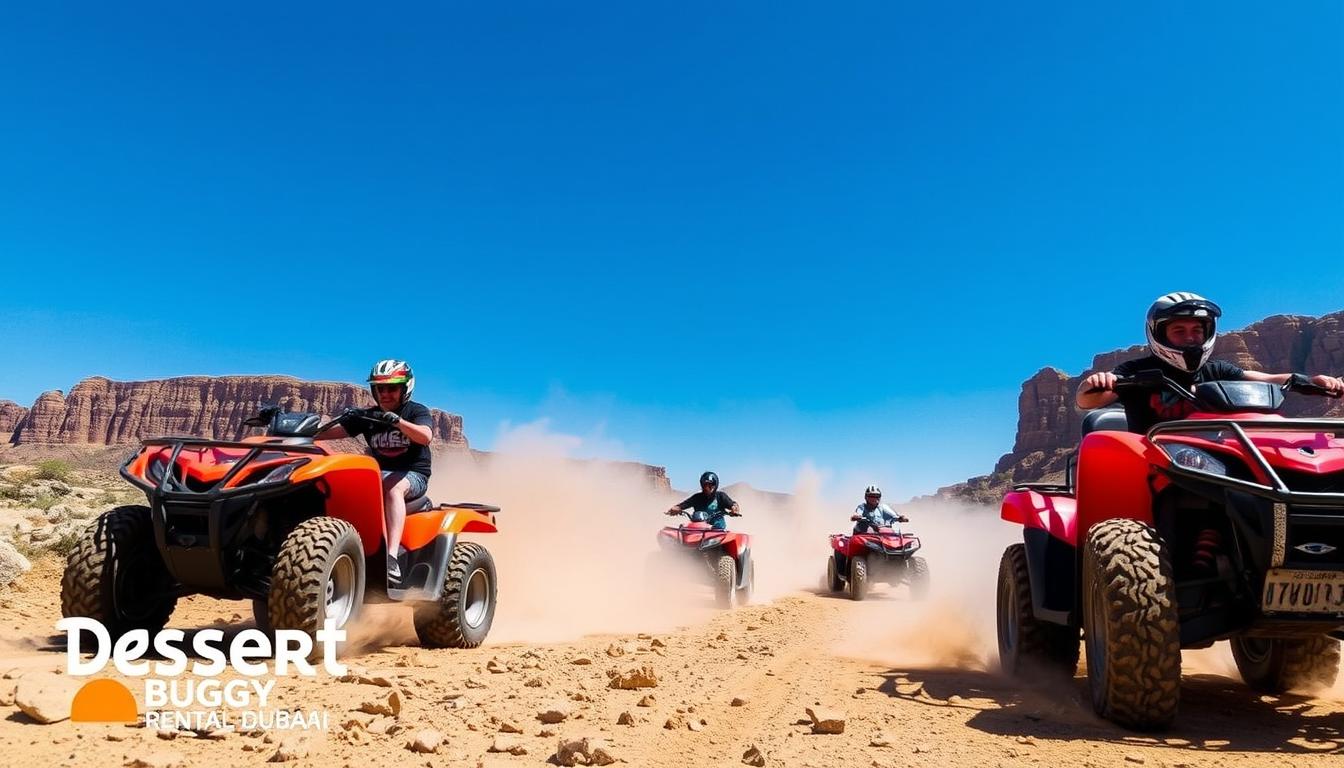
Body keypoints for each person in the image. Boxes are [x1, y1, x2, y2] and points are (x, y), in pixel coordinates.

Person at [1077, 292, 1344, 433]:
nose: (1191, 338)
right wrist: (1096, 383)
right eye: (1179, 331)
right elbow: (1088, 401)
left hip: (1212, 453)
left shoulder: (1216, 370)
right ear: (1159, 334)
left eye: (1197, 330)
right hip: (1153, 458)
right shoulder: (1136, 371)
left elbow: (1267, 380)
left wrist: (1310, 382)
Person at [317, 359, 434, 586]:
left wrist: (398, 422)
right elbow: (329, 434)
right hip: (378, 475)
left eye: (392, 388)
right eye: (380, 388)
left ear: (405, 388)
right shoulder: (369, 417)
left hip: (413, 476)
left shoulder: (416, 411)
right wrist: (295, 428)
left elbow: (425, 436)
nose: (385, 394)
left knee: (392, 488)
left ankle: (391, 559)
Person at [666, 471, 741, 531]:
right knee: (682, 529)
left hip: (717, 530)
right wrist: (675, 508)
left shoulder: (721, 496)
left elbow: (733, 504)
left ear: (716, 484)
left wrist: (734, 509)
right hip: (698, 528)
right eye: (705, 484)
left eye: (711, 484)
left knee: (720, 527)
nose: (708, 487)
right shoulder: (697, 497)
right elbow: (683, 505)